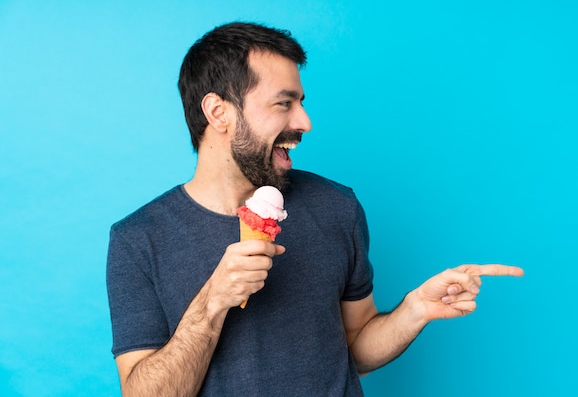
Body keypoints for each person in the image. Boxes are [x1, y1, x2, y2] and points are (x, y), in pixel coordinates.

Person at [106, 21, 524, 397]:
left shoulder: (336, 206)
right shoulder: (138, 240)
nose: (305, 122)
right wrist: (213, 301)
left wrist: (413, 311)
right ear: (219, 113)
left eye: (301, 102)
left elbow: (356, 345)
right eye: (283, 103)